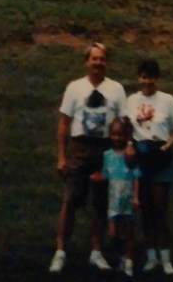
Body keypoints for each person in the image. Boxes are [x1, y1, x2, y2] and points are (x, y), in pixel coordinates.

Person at [49, 42, 127, 275]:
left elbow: (123, 123)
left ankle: (96, 251)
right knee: (71, 200)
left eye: (102, 59)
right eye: (94, 59)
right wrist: (62, 156)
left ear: (107, 62)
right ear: (87, 62)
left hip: (105, 149)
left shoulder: (116, 89)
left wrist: (122, 153)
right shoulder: (75, 88)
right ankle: (61, 251)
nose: (98, 63)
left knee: (101, 203)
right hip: (80, 148)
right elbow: (64, 123)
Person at [125, 58, 173, 277]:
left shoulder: (167, 101)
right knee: (146, 208)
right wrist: (130, 145)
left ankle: (166, 257)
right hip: (142, 155)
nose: (146, 81)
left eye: (150, 77)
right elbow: (127, 126)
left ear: (156, 78)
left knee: (160, 207)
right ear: (138, 77)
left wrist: (167, 146)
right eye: (143, 76)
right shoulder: (132, 100)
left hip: (160, 154)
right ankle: (151, 256)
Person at [91, 116, 141, 278]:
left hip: (127, 198)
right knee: (113, 233)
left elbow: (136, 176)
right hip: (114, 199)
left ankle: (129, 261)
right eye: (114, 134)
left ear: (127, 136)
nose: (117, 138)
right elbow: (107, 173)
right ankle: (121, 255)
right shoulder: (108, 155)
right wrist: (99, 177)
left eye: (120, 134)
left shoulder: (131, 155)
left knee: (129, 232)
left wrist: (136, 197)